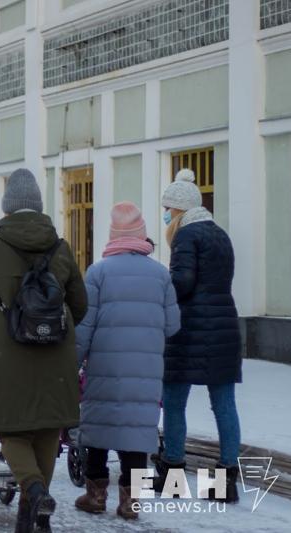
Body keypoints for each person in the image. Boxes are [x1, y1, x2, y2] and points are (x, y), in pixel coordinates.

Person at [0, 168, 87, 533]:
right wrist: (54, 328)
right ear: (39, 206)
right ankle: (34, 517)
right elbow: (80, 304)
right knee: (46, 428)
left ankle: (32, 488)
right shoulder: (60, 246)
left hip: (8, 353)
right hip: (56, 355)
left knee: (10, 430)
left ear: (7, 207)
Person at [73, 202, 181, 520]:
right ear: (141, 235)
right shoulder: (161, 274)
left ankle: (95, 495)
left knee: (99, 428)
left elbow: (84, 327)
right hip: (146, 370)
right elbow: (173, 325)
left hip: (105, 367)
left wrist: (73, 361)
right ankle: (131, 501)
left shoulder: (98, 272)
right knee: (136, 430)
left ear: (112, 236)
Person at [154, 169, 242, 502]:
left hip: (189, 330)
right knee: (224, 405)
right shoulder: (220, 234)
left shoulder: (186, 236)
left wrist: (163, 286)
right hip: (224, 329)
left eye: (167, 208)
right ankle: (225, 482)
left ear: (178, 209)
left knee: (175, 403)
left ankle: (172, 472)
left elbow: (183, 283)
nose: (165, 214)